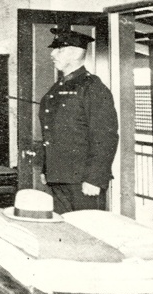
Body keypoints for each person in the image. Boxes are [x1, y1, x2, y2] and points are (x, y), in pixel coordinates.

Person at [39, 28, 119, 214]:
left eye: (59, 49)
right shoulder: (57, 88)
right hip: (59, 176)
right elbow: (52, 133)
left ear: (75, 52)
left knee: (88, 234)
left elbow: (105, 136)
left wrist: (95, 179)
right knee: (64, 233)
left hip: (83, 180)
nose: (52, 54)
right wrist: (46, 168)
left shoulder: (92, 87)